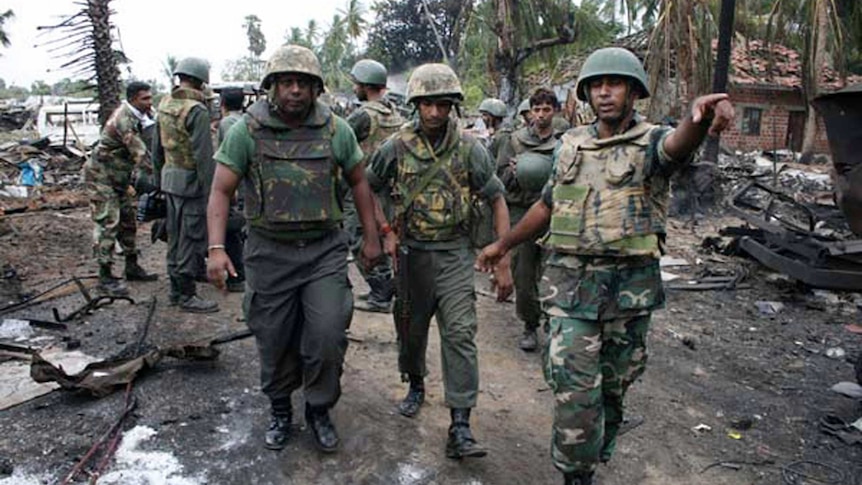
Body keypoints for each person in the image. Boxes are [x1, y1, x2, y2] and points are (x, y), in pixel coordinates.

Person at [476, 47, 734, 485]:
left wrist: (699, 120)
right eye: (596, 85)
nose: (604, 92)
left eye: (614, 83)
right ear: (586, 94)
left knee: (612, 391)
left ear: (634, 91)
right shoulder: (571, 145)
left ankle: (594, 451)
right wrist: (502, 244)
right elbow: (547, 205)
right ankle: (576, 475)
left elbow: (677, 148)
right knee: (576, 394)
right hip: (570, 292)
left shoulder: (652, 142)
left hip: (627, 296)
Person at [206, 45, 382, 453]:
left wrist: (371, 237)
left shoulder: (337, 129)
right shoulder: (246, 131)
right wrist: (216, 247)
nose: (295, 91)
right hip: (269, 252)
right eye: (287, 82)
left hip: (323, 251)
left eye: (304, 83)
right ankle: (281, 407)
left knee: (326, 334)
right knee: (274, 335)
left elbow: (359, 182)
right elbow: (220, 189)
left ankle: (318, 408)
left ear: (316, 88)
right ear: (272, 87)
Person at [365, 63, 513, 460]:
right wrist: (385, 231)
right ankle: (415, 382)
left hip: (454, 254)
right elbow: (367, 188)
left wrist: (502, 256)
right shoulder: (395, 147)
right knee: (411, 330)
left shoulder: (470, 148)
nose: (434, 113)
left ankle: (460, 424)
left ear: (452, 106)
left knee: (461, 333)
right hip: (412, 255)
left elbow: (497, 197)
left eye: (442, 104)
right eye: (427, 104)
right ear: (416, 104)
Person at [152, 57, 219, 313]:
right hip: (191, 185)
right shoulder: (196, 110)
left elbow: (156, 148)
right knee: (191, 238)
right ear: (202, 81)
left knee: (175, 238)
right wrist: (213, 193)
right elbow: (204, 157)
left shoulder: (165, 104)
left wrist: (160, 178)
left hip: (170, 181)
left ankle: (174, 289)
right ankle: (186, 294)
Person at [496, 87, 559, 351]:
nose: (541, 115)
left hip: (554, 214)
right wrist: (513, 172)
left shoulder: (565, 142)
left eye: (546, 109)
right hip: (522, 211)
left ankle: (555, 324)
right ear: (530, 112)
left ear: (554, 111)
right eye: (537, 109)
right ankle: (529, 324)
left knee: (553, 273)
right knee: (523, 273)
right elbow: (498, 179)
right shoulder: (514, 140)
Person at [82, 81, 159, 297]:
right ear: (134, 98)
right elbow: (141, 154)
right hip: (101, 177)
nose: (149, 102)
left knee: (127, 220)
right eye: (145, 98)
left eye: (150, 97)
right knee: (108, 223)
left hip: (119, 178)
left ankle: (132, 266)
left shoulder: (143, 114)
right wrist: (162, 176)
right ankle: (104, 276)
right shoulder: (124, 119)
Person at [345, 58, 405, 313]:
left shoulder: (363, 115)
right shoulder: (395, 113)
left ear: (364, 85)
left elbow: (341, 142)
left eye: (356, 83)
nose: (354, 87)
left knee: (358, 236)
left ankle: (381, 292)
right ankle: (383, 287)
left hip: (364, 187)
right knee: (383, 238)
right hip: (389, 189)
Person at [217, 87, 246, 293]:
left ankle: (237, 276)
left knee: (232, 231)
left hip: (236, 185)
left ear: (223, 103)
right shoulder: (244, 121)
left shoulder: (228, 123)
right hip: (246, 185)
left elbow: (232, 159)